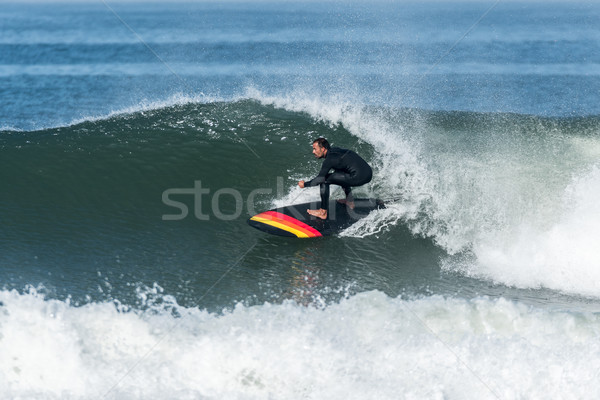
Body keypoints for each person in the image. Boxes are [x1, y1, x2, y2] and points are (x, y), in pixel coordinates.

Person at [298, 138, 372, 219]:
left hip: (358, 176)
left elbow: (319, 179)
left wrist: (304, 184)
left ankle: (323, 212)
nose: (313, 152)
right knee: (339, 174)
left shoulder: (329, 160)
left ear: (323, 149)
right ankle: (350, 202)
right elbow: (342, 175)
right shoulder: (335, 151)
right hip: (368, 173)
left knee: (324, 180)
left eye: (315, 149)